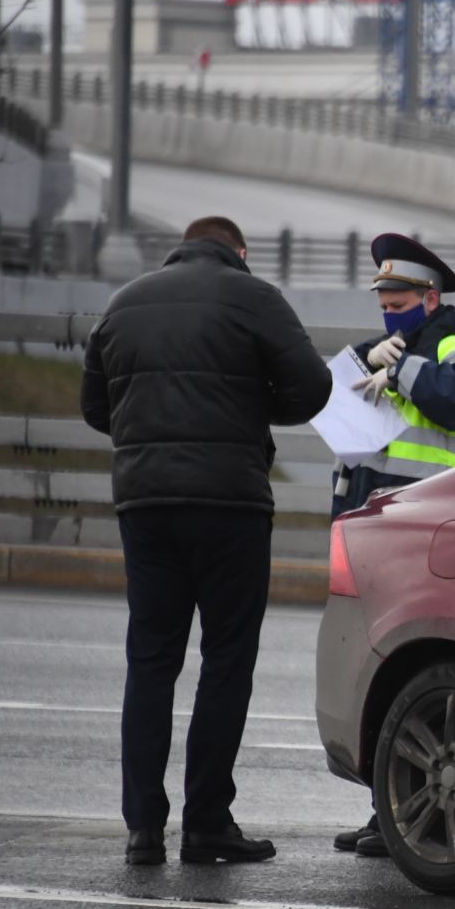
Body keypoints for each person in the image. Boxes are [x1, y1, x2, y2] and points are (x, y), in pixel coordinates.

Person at [81, 215, 333, 866]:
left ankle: (142, 829)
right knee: (225, 661)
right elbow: (314, 386)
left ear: (183, 246)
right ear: (238, 251)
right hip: (230, 504)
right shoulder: (254, 298)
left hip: (145, 503)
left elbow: (94, 407)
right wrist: (250, 405)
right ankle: (207, 824)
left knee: (152, 660)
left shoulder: (123, 303)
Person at [332, 232, 455, 857]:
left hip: (427, 533)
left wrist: (402, 368)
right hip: (378, 528)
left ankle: (407, 817)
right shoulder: (389, 344)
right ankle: (388, 811)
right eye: (383, 295)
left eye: (398, 295)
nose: (388, 305)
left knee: (415, 674)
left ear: (429, 297)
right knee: (376, 673)